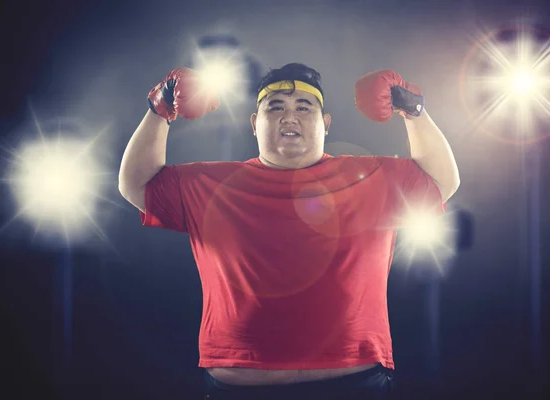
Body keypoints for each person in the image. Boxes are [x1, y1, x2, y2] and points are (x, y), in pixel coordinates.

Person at [118, 62, 460, 400]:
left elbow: (442, 181)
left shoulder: (370, 176)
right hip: (238, 389)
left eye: (304, 107)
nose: (289, 115)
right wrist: (160, 108)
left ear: (325, 124)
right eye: (275, 106)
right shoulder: (211, 182)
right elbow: (136, 184)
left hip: (354, 385)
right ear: (254, 124)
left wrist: (413, 111)